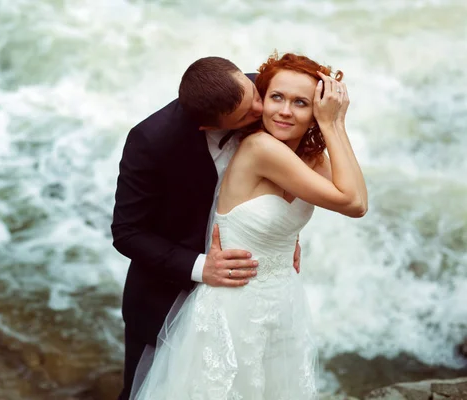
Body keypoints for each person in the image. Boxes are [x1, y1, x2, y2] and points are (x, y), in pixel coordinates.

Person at [129, 52, 368, 399]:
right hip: (226, 303)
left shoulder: (273, 97)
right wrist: (333, 125)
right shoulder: (255, 145)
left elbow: (354, 197)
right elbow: (354, 203)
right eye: (274, 99)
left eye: (300, 103)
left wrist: (285, 230)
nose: (276, 110)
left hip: (282, 299)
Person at [111, 57, 303, 400]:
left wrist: (283, 228)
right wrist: (202, 268)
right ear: (206, 126)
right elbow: (127, 232)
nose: (261, 111)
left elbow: (291, 165)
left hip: (249, 298)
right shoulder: (151, 141)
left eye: (254, 95)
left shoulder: (267, 92)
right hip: (165, 293)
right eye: (246, 115)